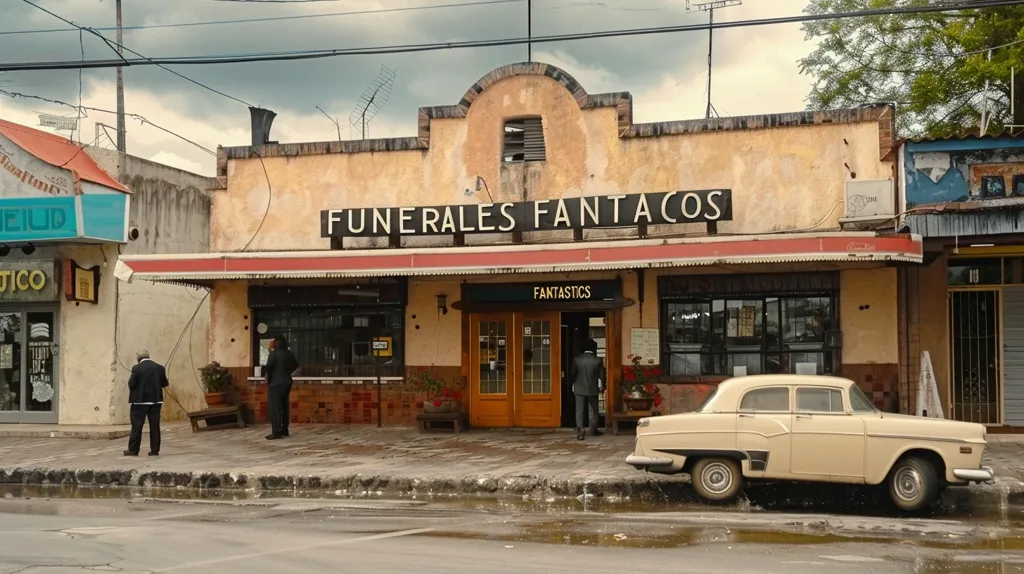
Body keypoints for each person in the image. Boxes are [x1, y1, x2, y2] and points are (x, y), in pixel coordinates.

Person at [125, 349, 169, 457]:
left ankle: (133, 450)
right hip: (156, 401)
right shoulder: (160, 368)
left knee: (137, 426)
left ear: (138, 359)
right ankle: (154, 450)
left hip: (140, 402)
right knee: (154, 426)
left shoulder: (136, 368)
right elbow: (165, 383)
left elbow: (132, 384)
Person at [263, 335, 299, 440]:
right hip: (287, 382)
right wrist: (287, 372)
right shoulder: (289, 354)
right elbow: (295, 365)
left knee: (275, 408)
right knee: (284, 406)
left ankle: (276, 432)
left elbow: (268, 366)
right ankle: (284, 430)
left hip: (275, 383)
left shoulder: (274, 354)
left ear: (277, 343)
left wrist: (265, 375)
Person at [570, 338, 606, 441]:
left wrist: (574, 383)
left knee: (579, 411)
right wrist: (602, 387)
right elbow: (601, 376)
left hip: (579, 388)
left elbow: (573, 375)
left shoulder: (577, 360)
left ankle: (580, 432)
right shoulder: (597, 360)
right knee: (593, 410)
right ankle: (593, 429)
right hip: (592, 388)